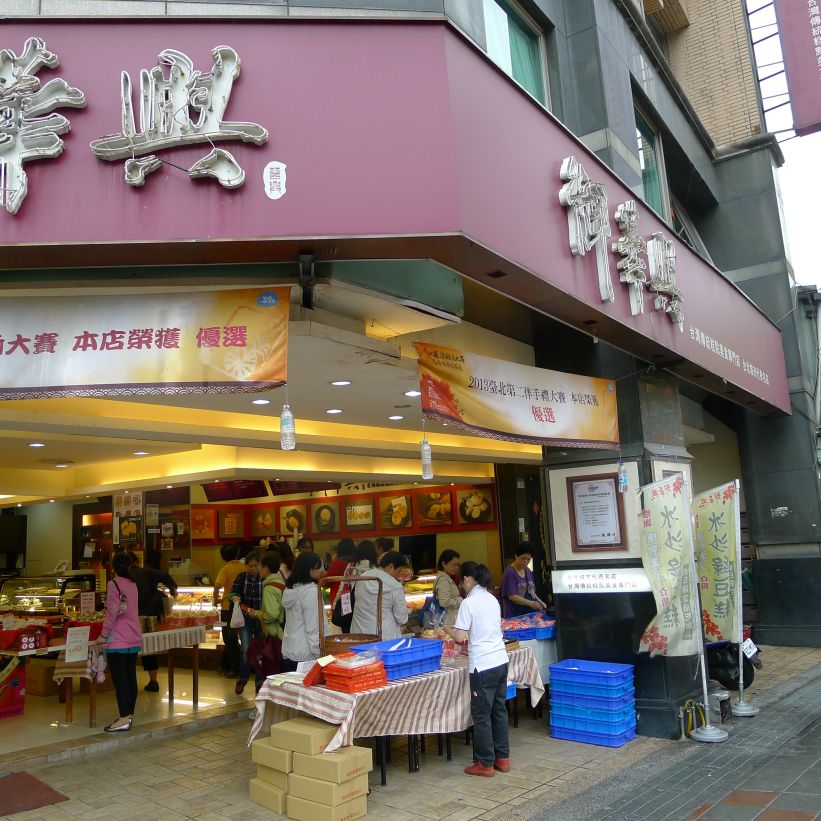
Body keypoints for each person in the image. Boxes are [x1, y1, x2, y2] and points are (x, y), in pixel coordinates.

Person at [445, 562, 509, 777]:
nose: (462, 586)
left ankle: (485, 763)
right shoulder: (492, 599)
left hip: (482, 665)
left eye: (462, 582)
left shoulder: (468, 603)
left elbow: (460, 637)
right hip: (500, 659)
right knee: (499, 710)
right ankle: (502, 758)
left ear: (467, 579)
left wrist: (448, 629)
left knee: (482, 715)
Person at [97, 551, 142, 732]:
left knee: (120, 680)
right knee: (130, 677)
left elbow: (111, 613)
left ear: (114, 567)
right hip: (134, 636)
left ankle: (123, 719)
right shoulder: (133, 583)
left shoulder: (113, 584)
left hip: (117, 639)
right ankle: (128, 715)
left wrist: (103, 635)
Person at [130, 549, 177, 692]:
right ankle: (153, 680)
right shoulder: (146, 572)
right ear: (136, 561)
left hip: (130, 615)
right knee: (148, 647)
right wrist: (172, 588)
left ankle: (130, 682)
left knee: (129, 648)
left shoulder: (123, 576)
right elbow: (165, 576)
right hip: (150, 614)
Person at [350, 550, 409, 640]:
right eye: (399, 570)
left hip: (359, 635)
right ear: (391, 566)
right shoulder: (395, 586)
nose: (398, 575)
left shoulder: (363, 576)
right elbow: (402, 618)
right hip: (384, 638)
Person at [281, 552, 324, 672]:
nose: (321, 570)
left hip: (289, 650)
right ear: (310, 569)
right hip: (306, 654)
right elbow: (313, 628)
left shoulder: (290, 589)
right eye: (318, 567)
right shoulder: (310, 592)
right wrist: (320, 653)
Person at [228, 550, 262, 695]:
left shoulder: (264, 577)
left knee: (261, 650)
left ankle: (260, 682)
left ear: (260, 565)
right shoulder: (241, 577)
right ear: (246, 566)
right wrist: (234, 597)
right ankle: (242, 679)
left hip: (261, 618)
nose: (253, 568)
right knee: (246, 649)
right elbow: (232, 592)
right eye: (250, 566)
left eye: (256, 565)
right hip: (245, 617)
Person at [212, 544, 244, 678]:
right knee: (232, 638)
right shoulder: (244, 567)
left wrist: (215, 599)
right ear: (237, 554)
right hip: (241, 606)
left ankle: (236, 668)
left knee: (229, 638)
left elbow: (217, 585)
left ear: (222, 557)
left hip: (227, 607)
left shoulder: (225, 569)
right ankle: (224, 665)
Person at [501, 544, 547, 618]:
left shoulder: (527, 570)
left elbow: (531, 592)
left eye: (528, 559)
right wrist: (531, 603)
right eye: (523, 558)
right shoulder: (510, 572)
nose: (525, 561)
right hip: (514, 615)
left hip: (528, 613)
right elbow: (512, 596)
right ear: (516, 556)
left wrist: (540, 602)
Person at [434, 549, 462, 627]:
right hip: (447, 620)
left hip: (448, 619)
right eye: (453, 565)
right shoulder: (443, 580)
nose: (456, 568)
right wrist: (460, 600)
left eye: (457, 565)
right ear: (444, 564)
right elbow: (444, 602)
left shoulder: (446, 578)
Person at [325, 537, 356, 604]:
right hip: (352, 597)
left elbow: (326, 581)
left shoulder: (337, 563)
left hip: (337, 597)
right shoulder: (355, 562)